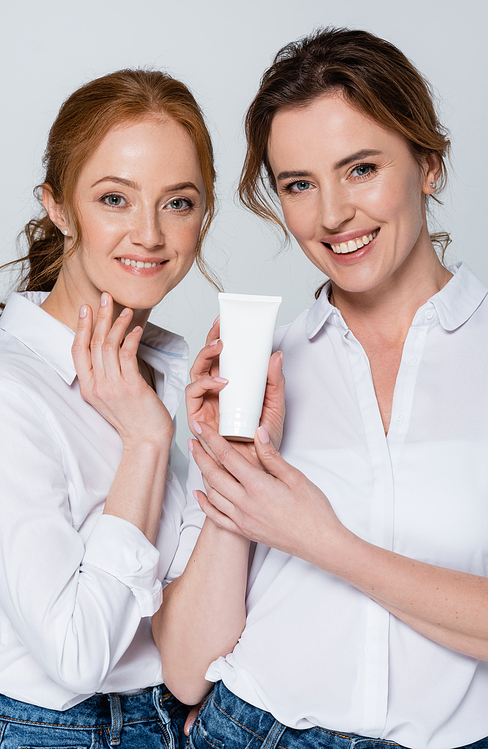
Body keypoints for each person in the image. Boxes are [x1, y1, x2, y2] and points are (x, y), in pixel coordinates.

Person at [153, 28, 488, 749]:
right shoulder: (266, 367)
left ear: (427, 164)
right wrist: (233, 454)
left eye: (361, 168)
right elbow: (184, 670)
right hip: (254, 731)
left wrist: (320, 540)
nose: (332, 215)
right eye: (298, 184)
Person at [0, 68, 216, 748]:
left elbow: (194, 634)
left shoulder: (173, 375)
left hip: (182, 723)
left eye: (178, 202)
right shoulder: (7, 391)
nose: (148, 233)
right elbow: (76, 656)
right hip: (55, 730)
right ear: (58, 207)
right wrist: (146, 443)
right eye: (115, 198)